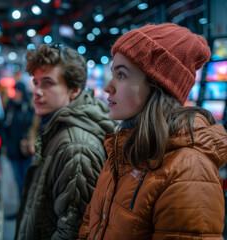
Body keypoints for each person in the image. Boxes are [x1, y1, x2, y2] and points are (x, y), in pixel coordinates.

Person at [78, 23, 227, 240]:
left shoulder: (190, 171)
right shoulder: (122, 149)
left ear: (157, 86)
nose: (107, 87)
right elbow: (90, 223)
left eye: (121, 74)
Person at [14, 43, 119, 240]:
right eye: (36, 83)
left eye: (47, 83)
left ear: (74, 90)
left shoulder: (76, 147)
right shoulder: (57, 126)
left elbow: (72, 231)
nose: (37, 91)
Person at [2, 81, 34, 198]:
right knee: (18, 181)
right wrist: (6, 144)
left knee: (26, 181)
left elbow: (32, 126)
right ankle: (21, 207)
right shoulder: (10, 106)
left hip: (25, 151)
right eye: (15, 91)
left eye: (18, 91)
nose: (16, 94)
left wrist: (29, 141)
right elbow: (4, 126)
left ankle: (25, 206)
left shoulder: (28, 106)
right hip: (12, 150)